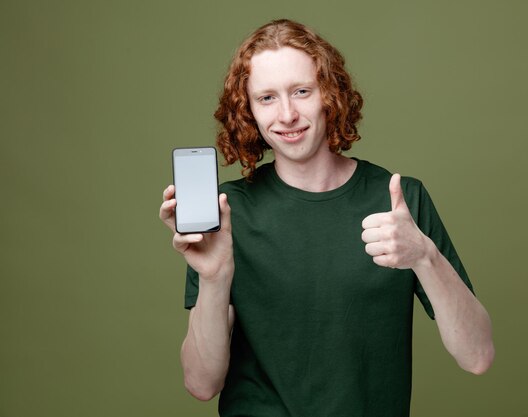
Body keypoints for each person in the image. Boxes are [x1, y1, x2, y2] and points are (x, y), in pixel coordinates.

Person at [159, 19, 494, 417]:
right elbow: (201, 383)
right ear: (248, 110)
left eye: (301, 91)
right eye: (266, 98)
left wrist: (424, 255)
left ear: (329, 95)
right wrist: (214, 280)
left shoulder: (399, 199)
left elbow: (478, 356)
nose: (286, 115)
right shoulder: (227, 212)